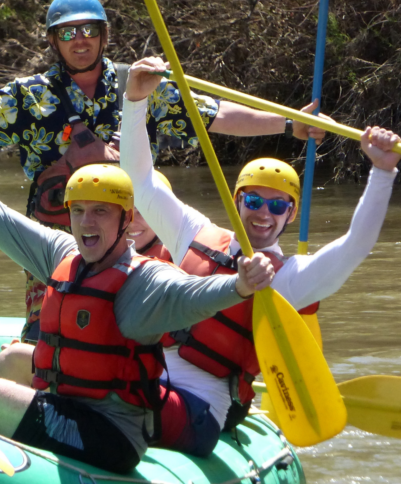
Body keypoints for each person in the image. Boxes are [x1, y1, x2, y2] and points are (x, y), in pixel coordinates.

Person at [0, 0, 327, 342]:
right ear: (54, 41)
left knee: (145, 331)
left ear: (104, 35)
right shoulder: (29, 97)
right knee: (49, 332)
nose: (80, 40)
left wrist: (286, 125)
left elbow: (214, 116)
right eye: (69, 33)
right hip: (56, 243)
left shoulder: (141, 84)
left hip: (137, 245)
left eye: (89, 30)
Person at [0, 100, 275, 473]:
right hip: (67, 407)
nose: (87, 223)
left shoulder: (145, 279)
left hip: (110, 434)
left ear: (125, 220)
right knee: (12, 359)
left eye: (101, 212)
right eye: (78, 211)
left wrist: (237, 286)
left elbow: (192, 297)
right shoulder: (63, 253)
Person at [120, 56, 401, 456]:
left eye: (277, 206)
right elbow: (141, 180)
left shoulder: (290, 280)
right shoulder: (194, 233)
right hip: (149, 375)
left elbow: (355, 245)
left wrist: (383, 173)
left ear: (291, 214)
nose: (263, 213)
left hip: (201, 405)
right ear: (237, 201)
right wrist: (135, 101)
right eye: (253, 200)